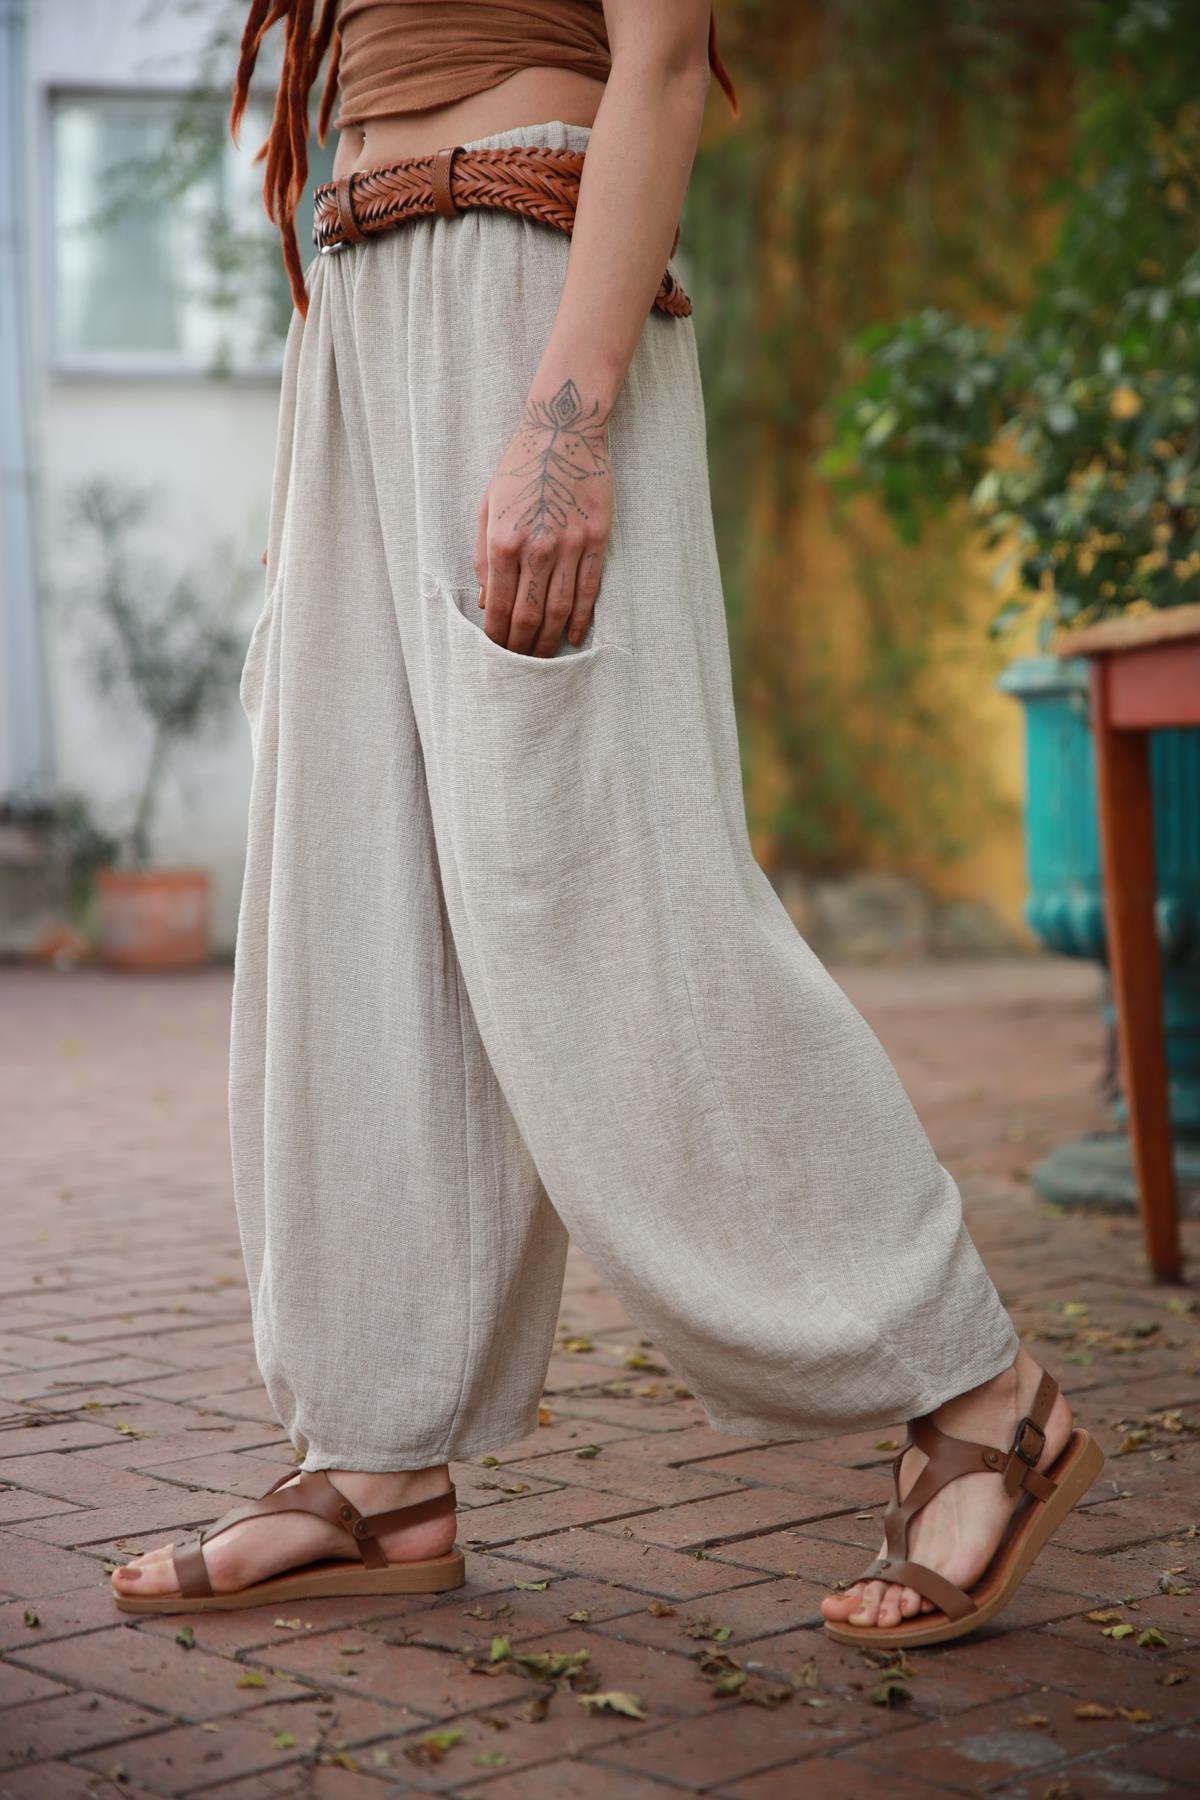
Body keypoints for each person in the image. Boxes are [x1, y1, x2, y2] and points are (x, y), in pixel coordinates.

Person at [109, 0, 1102, 1649]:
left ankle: (982, 1397)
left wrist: (563, 422)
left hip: (524, 287)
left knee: (617, 902)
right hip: (358, 302)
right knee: (358, 910)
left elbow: (660, 57)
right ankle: (377, 1463)